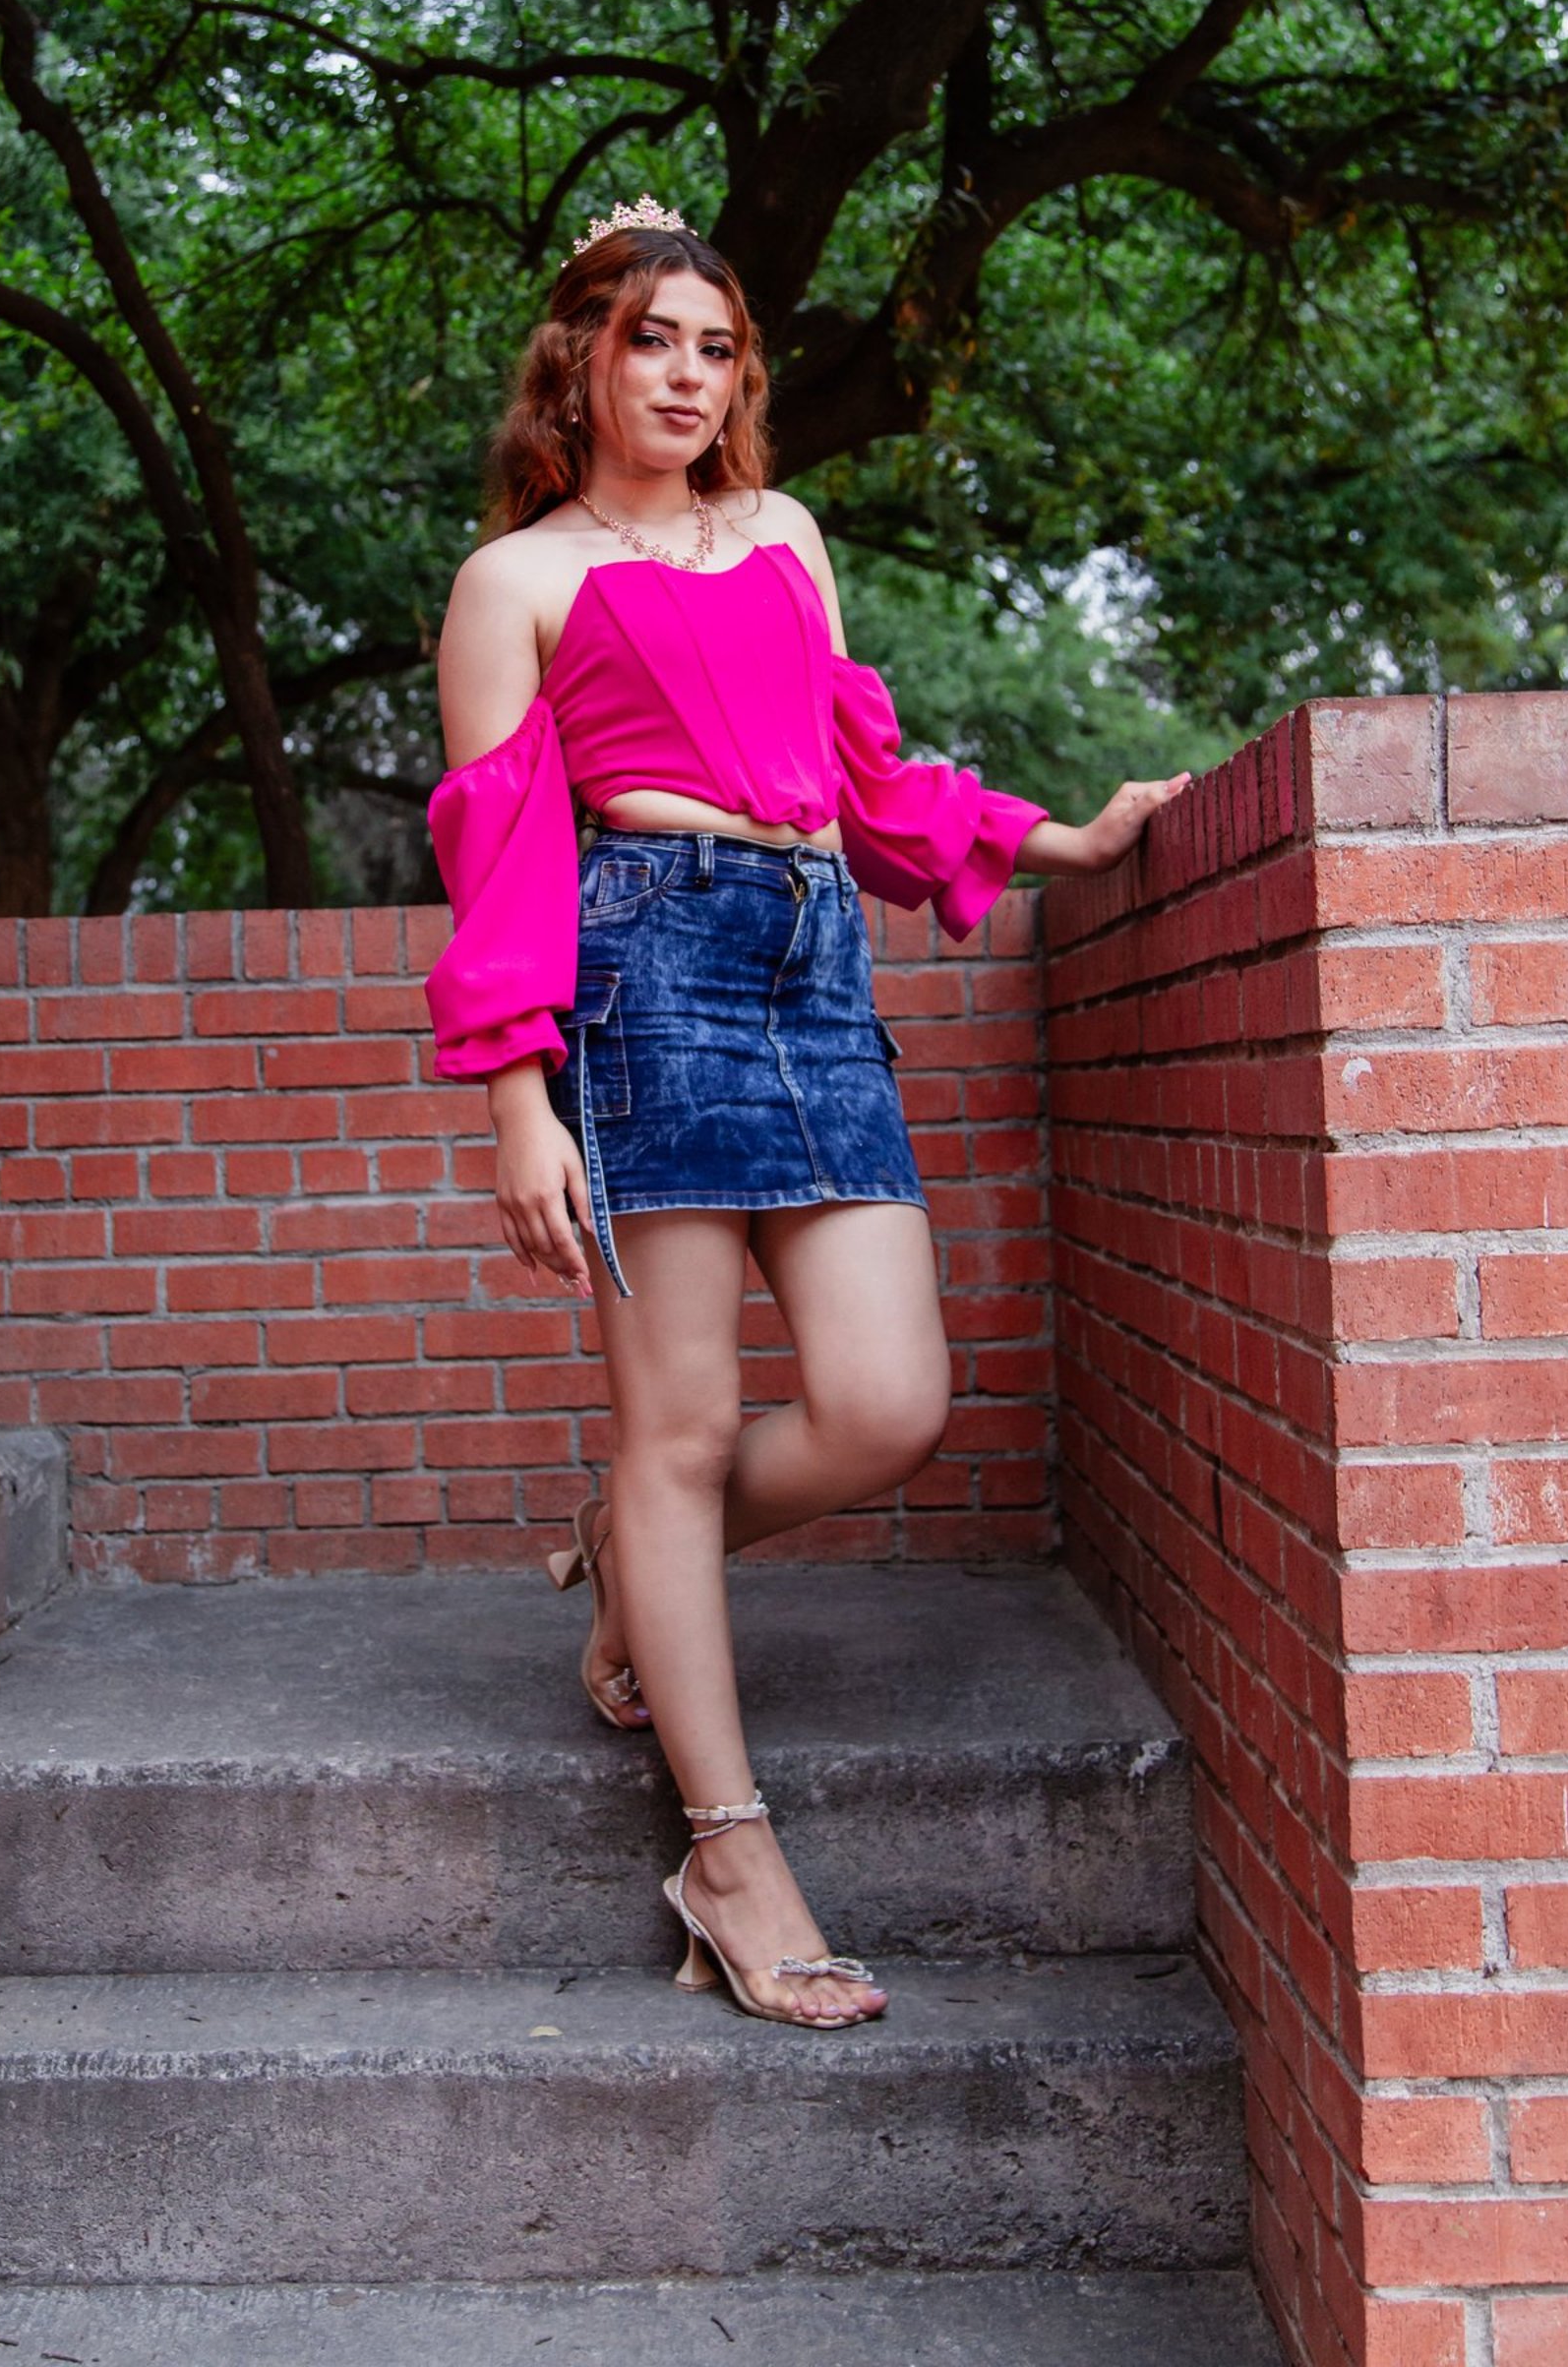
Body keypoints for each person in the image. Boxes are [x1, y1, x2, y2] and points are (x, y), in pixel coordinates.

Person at [422, 200, 1188, 2032]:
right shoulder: (511, 583)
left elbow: (863, 769)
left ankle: (631, 1547)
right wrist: (520, 1104)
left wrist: (1057, 841)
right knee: (680, 1429)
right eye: (652, 341)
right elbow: (501, 858)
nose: (689, 377)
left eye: (716, 348)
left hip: (813, 967)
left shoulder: (784, 536)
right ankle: (730, 1853)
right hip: (645, 969)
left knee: (885, 1401)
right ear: (580, 364)